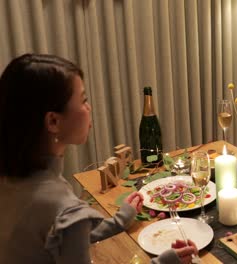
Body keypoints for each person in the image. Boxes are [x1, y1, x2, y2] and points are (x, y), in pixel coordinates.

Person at [0, 54, 198, 263]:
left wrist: (120, 220)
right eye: (84, 100)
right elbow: (66, 231)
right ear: (53, 121)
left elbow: (60, 241)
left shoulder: (12, 180)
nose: (89, 108)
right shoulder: (61, 205)